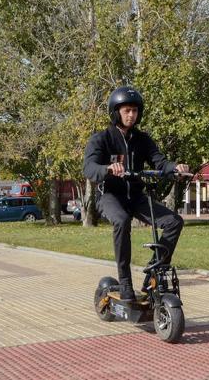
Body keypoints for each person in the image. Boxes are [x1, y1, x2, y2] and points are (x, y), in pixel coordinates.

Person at [83, 86, 189, 302]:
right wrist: (107, 169)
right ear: (116, 112)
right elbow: (89, 168)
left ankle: (153, 273)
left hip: (137, 197)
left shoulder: (142, 139)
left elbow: (159, 161)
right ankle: (125, 283)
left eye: (135, 111)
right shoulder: (102, 139)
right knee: (122, 221)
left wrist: (175, 168)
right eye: (127, 111)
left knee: (174, 221)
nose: (131, 115)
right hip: (110, 196)